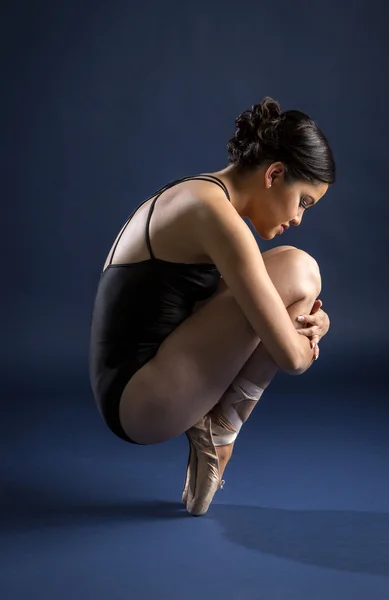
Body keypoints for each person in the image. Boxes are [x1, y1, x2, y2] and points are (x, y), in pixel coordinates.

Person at [89, 97, 334, 516]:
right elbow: (291, 360)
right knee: (300, 268)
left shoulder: (200, 193)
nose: (298, 218)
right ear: (274, 174)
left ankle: (216, 427)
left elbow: (240, 309)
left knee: (291, 282)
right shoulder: (214, 215)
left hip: (139, 388)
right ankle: (221, 430)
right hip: (140, 400)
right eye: (304, 202)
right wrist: (307, 340)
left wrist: (314, 319)